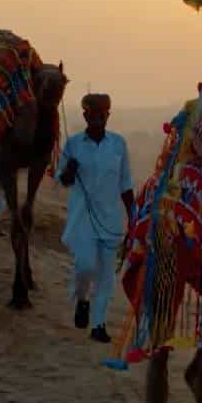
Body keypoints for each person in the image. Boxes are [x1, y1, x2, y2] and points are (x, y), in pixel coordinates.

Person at [56, 93, 134, 343]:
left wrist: (134, 217)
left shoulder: (118, 144)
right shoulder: (73, 144)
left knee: (107, 276)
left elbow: (126, 184)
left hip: (111, 219)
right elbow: (62, 181)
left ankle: (98, 325)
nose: (99, 118)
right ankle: (82, 299)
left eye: (103, 114)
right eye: (94, 114)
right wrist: (69, 170)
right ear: (85, 115)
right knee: (85, 266)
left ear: (108, 115)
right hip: (83, 219)